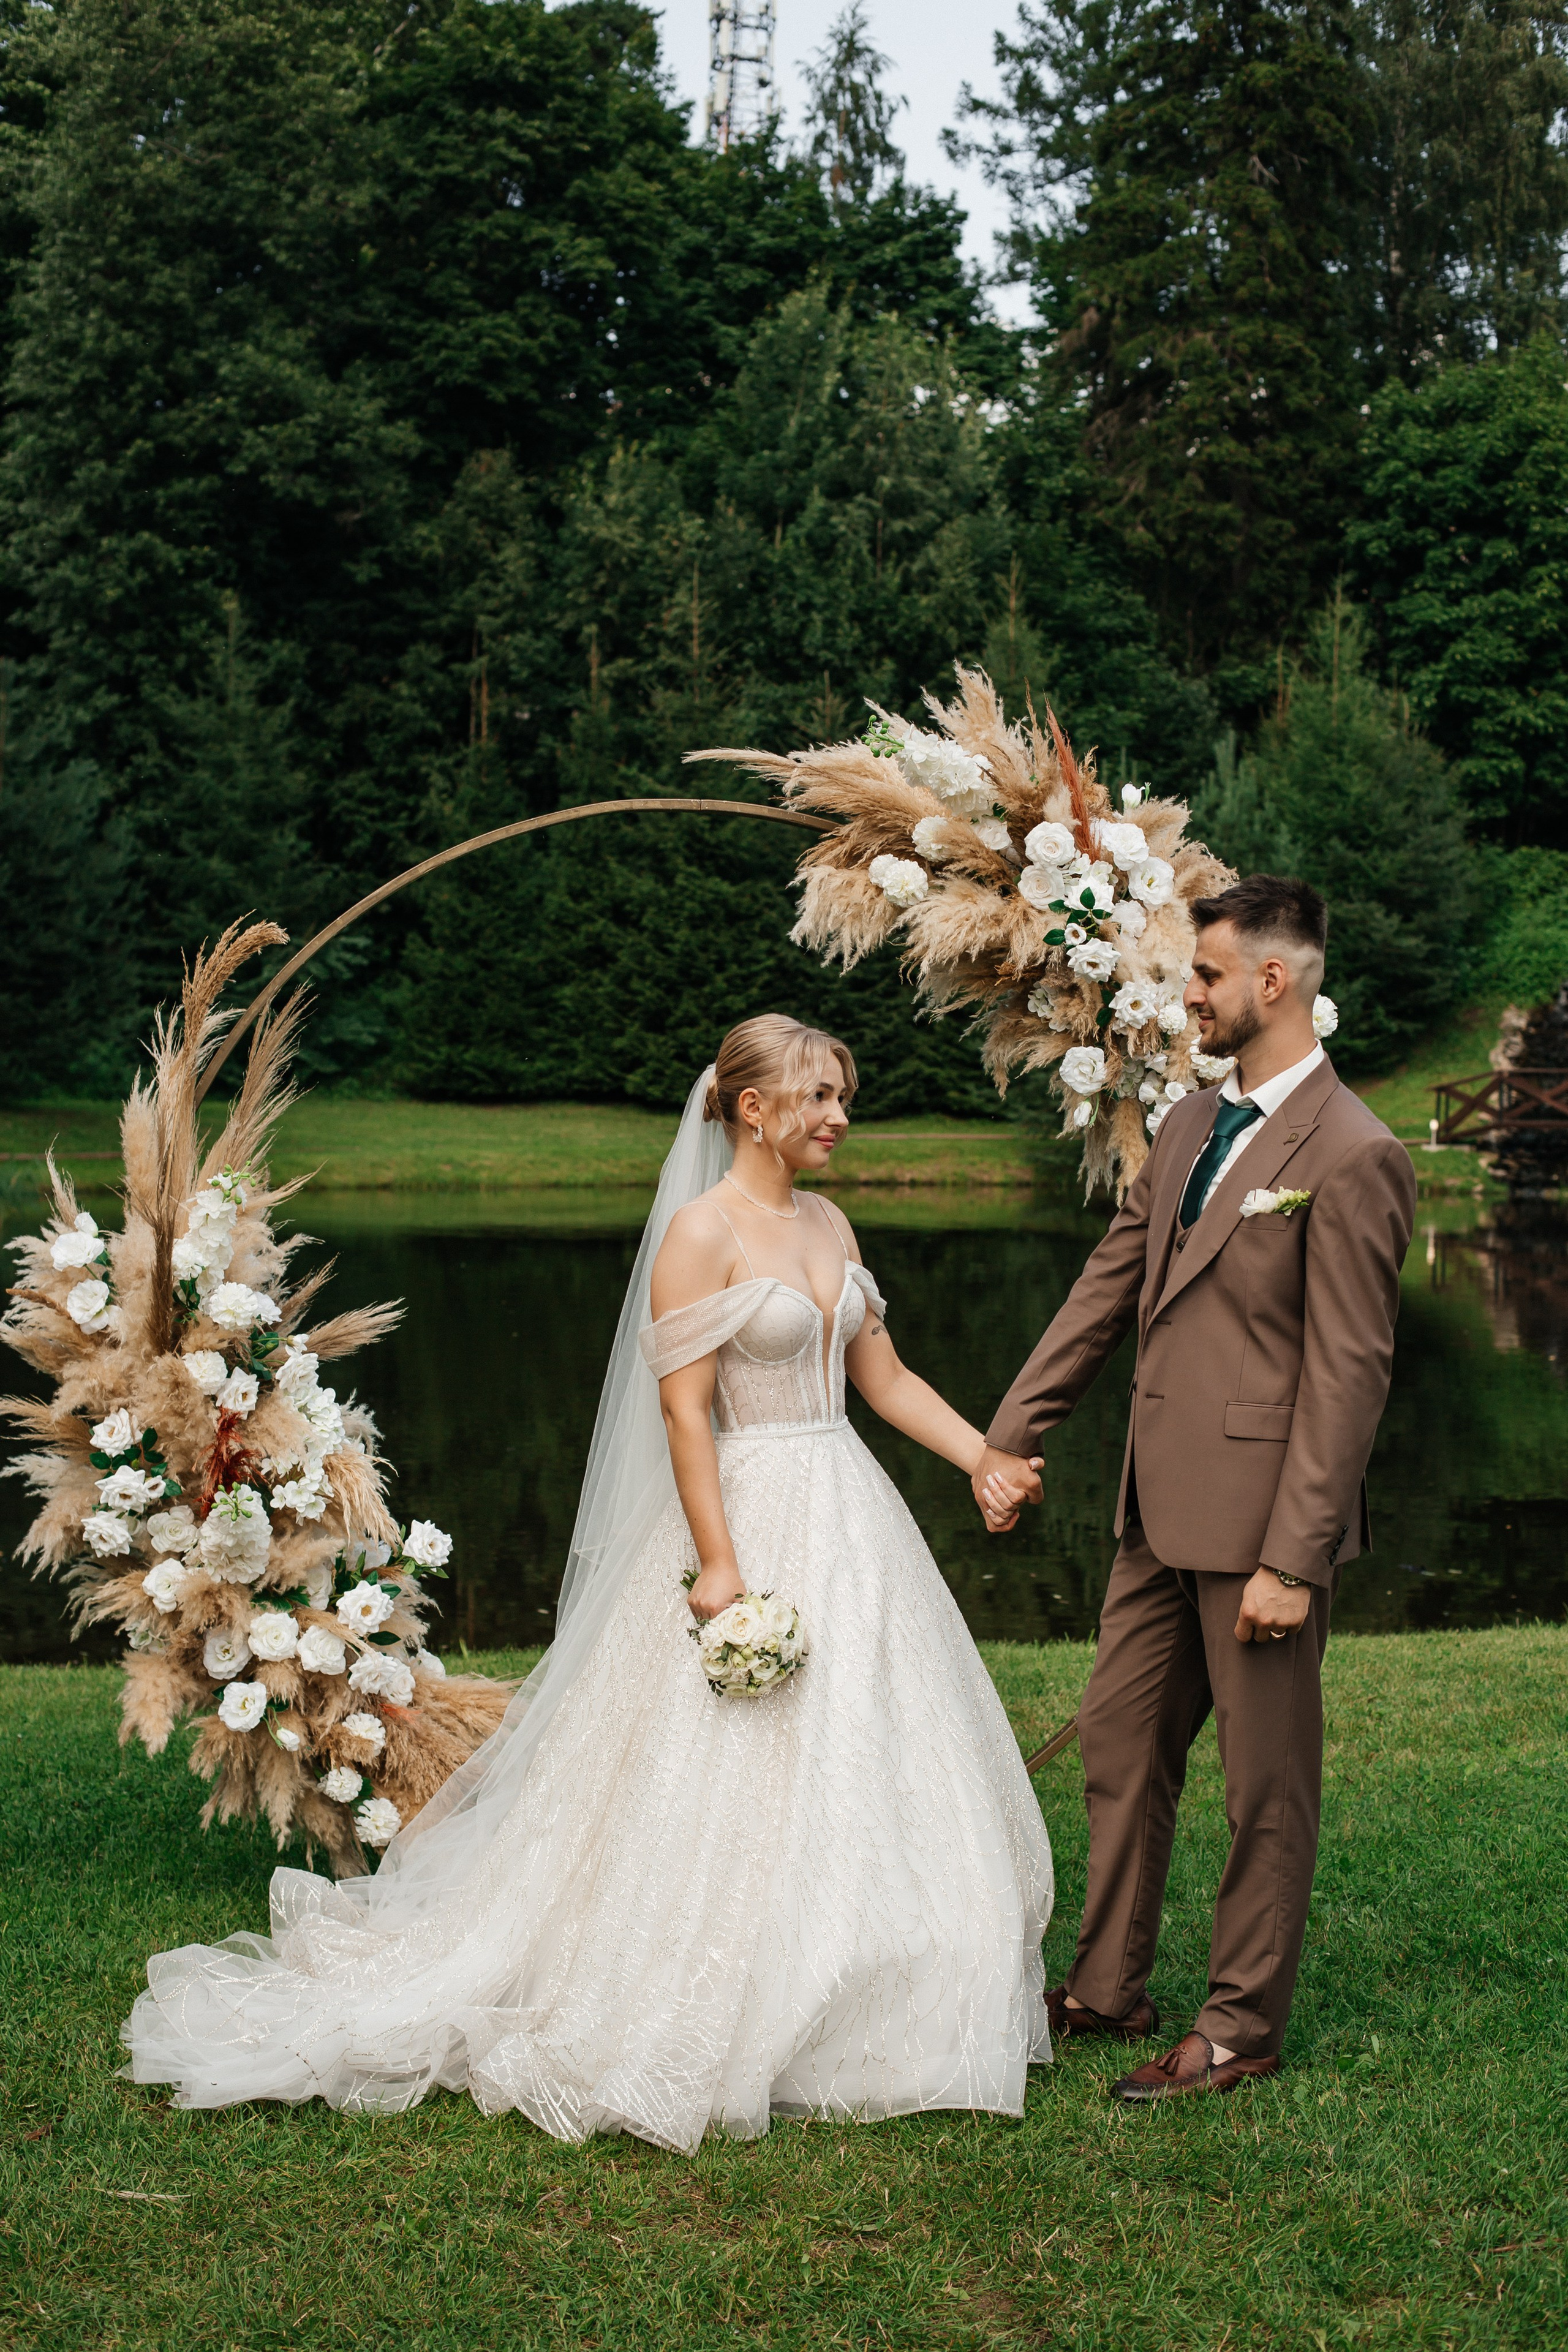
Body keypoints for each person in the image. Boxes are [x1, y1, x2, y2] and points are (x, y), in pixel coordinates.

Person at [123, 1015, 1053, 2149]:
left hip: (849, 1504)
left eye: (841, 1097)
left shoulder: (829, 1221)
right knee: (725, 1759)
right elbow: (685, 1411)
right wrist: (718, 1562)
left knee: (869, 1735)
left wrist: (982, 1460)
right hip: (744, 1508)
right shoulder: (701, 1238)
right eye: (818, 1097)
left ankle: (878, 1968)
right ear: (751, 1108)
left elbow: (885, 1373)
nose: (839, 1118)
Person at [973, 876, 1415, 2101]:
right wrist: (1006, 1436)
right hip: (1151, 1512)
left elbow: (1346, 1377)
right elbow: (1106, 1291)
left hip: (1262, 1529)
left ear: (1274, 981)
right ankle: (1108, 1986)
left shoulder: (1354, 1153)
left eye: (1207, 976)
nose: (1189, 998)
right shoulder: (1182, 1125)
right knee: (1119, 1749)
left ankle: (1237, 2029)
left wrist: (1291, 1558)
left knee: (1263, 1790)